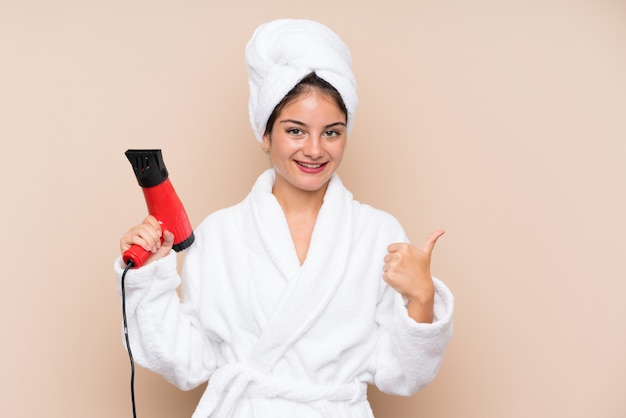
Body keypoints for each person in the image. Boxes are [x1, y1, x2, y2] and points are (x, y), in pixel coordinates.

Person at [115, 18, 454, 418]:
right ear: (265, 133)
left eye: (332, 132)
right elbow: (186, 362)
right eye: (296, 131)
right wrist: (148, 280)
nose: (314, 149)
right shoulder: (222, 233)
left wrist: (422, 297)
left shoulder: (377, 234)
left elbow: (403, 375)